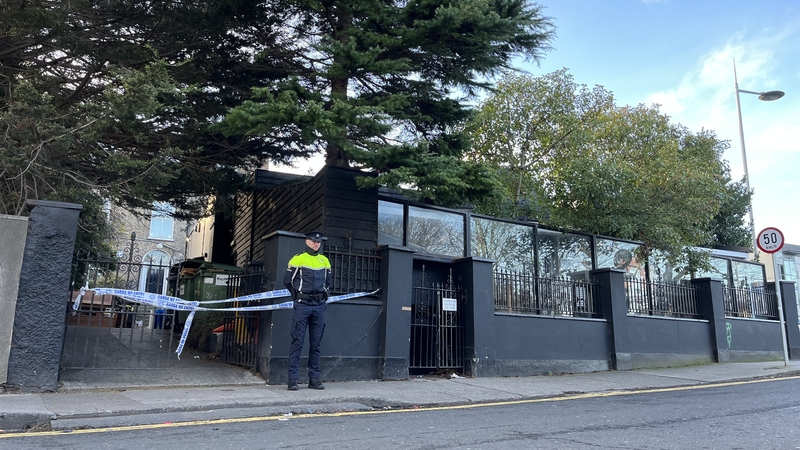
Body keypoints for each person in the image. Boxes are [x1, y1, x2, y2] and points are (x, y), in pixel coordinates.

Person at [283, 231, 331, 390]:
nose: (316, 244)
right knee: (297, 341)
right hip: (302, 305)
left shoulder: (325, 261)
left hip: (319, 306)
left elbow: (328, 282)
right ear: (307, 242)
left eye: (318, 242)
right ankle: (293, 380)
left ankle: (314, 379)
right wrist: (297, 297)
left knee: (316, 344)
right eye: (313, 241)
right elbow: (287, 282)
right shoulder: (298, 259)